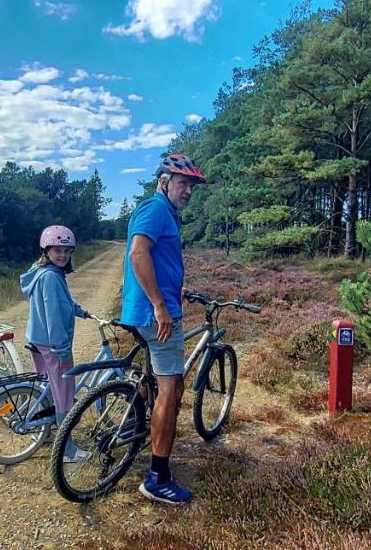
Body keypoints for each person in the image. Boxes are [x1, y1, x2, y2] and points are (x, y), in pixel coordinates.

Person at [120, 153, 205, 504]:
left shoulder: (165, 213)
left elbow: (157, 258)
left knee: (154, 377)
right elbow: (138, 254)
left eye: (191, 186)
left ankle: (129, 423)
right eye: (182, 183)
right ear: (164, 181)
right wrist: (160, 305)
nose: (187, 191)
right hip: (157, 317)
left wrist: (174, 288)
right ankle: (157, 476)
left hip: (149, 311)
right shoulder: (155, 209)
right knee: (171, 389)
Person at [19, 225, 93, 462]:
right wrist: (62, 349)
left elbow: (62, 302)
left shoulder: (42, 271)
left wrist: (80, 311)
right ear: (46, 250)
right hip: (52, 344)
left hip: (38, 340)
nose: (63, 255)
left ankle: (47, 432)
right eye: (57, 250)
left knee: (48, 387)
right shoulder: (51, 277)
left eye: (67, 251)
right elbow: (53, 315)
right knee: (64, 396)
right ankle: (67, 450)